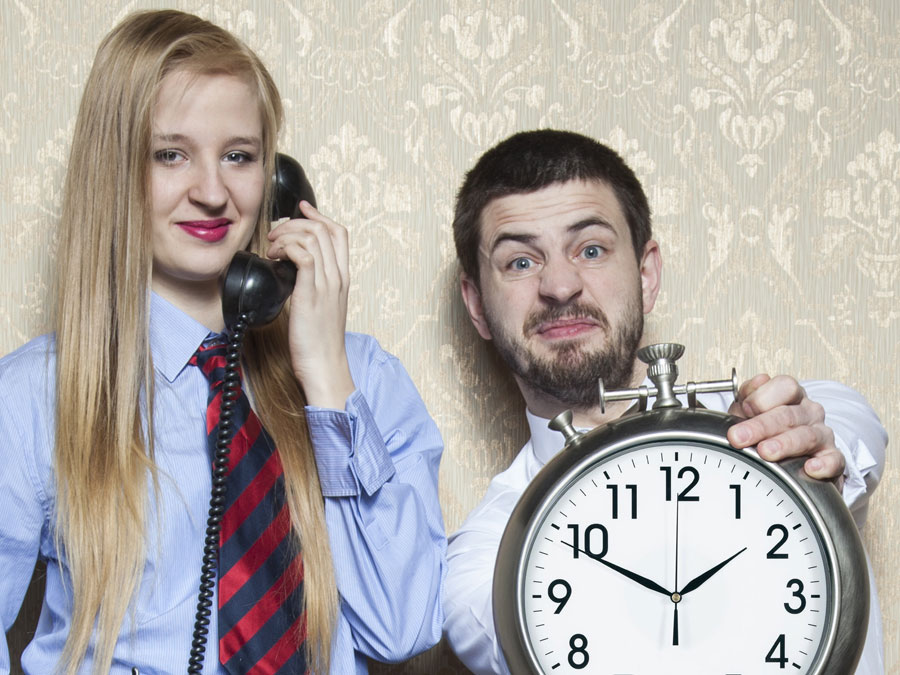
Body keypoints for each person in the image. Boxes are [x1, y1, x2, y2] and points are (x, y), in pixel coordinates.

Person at [0, 10, 445, 674]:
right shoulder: (35, 393)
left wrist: (323, 374)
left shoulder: (362, 381)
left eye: (238, 155)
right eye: (170, 154)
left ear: (276, 178)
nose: (212, 192)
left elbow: (402, 625)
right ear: (114, 170)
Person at [443, 129, 886, 674]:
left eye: (591, 249)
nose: (560, 285)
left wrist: (813, 455)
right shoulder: (485, 555)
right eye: (520, 262)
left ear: (647, 275)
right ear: (477, 306)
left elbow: (851, 422)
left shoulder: (775, 418)